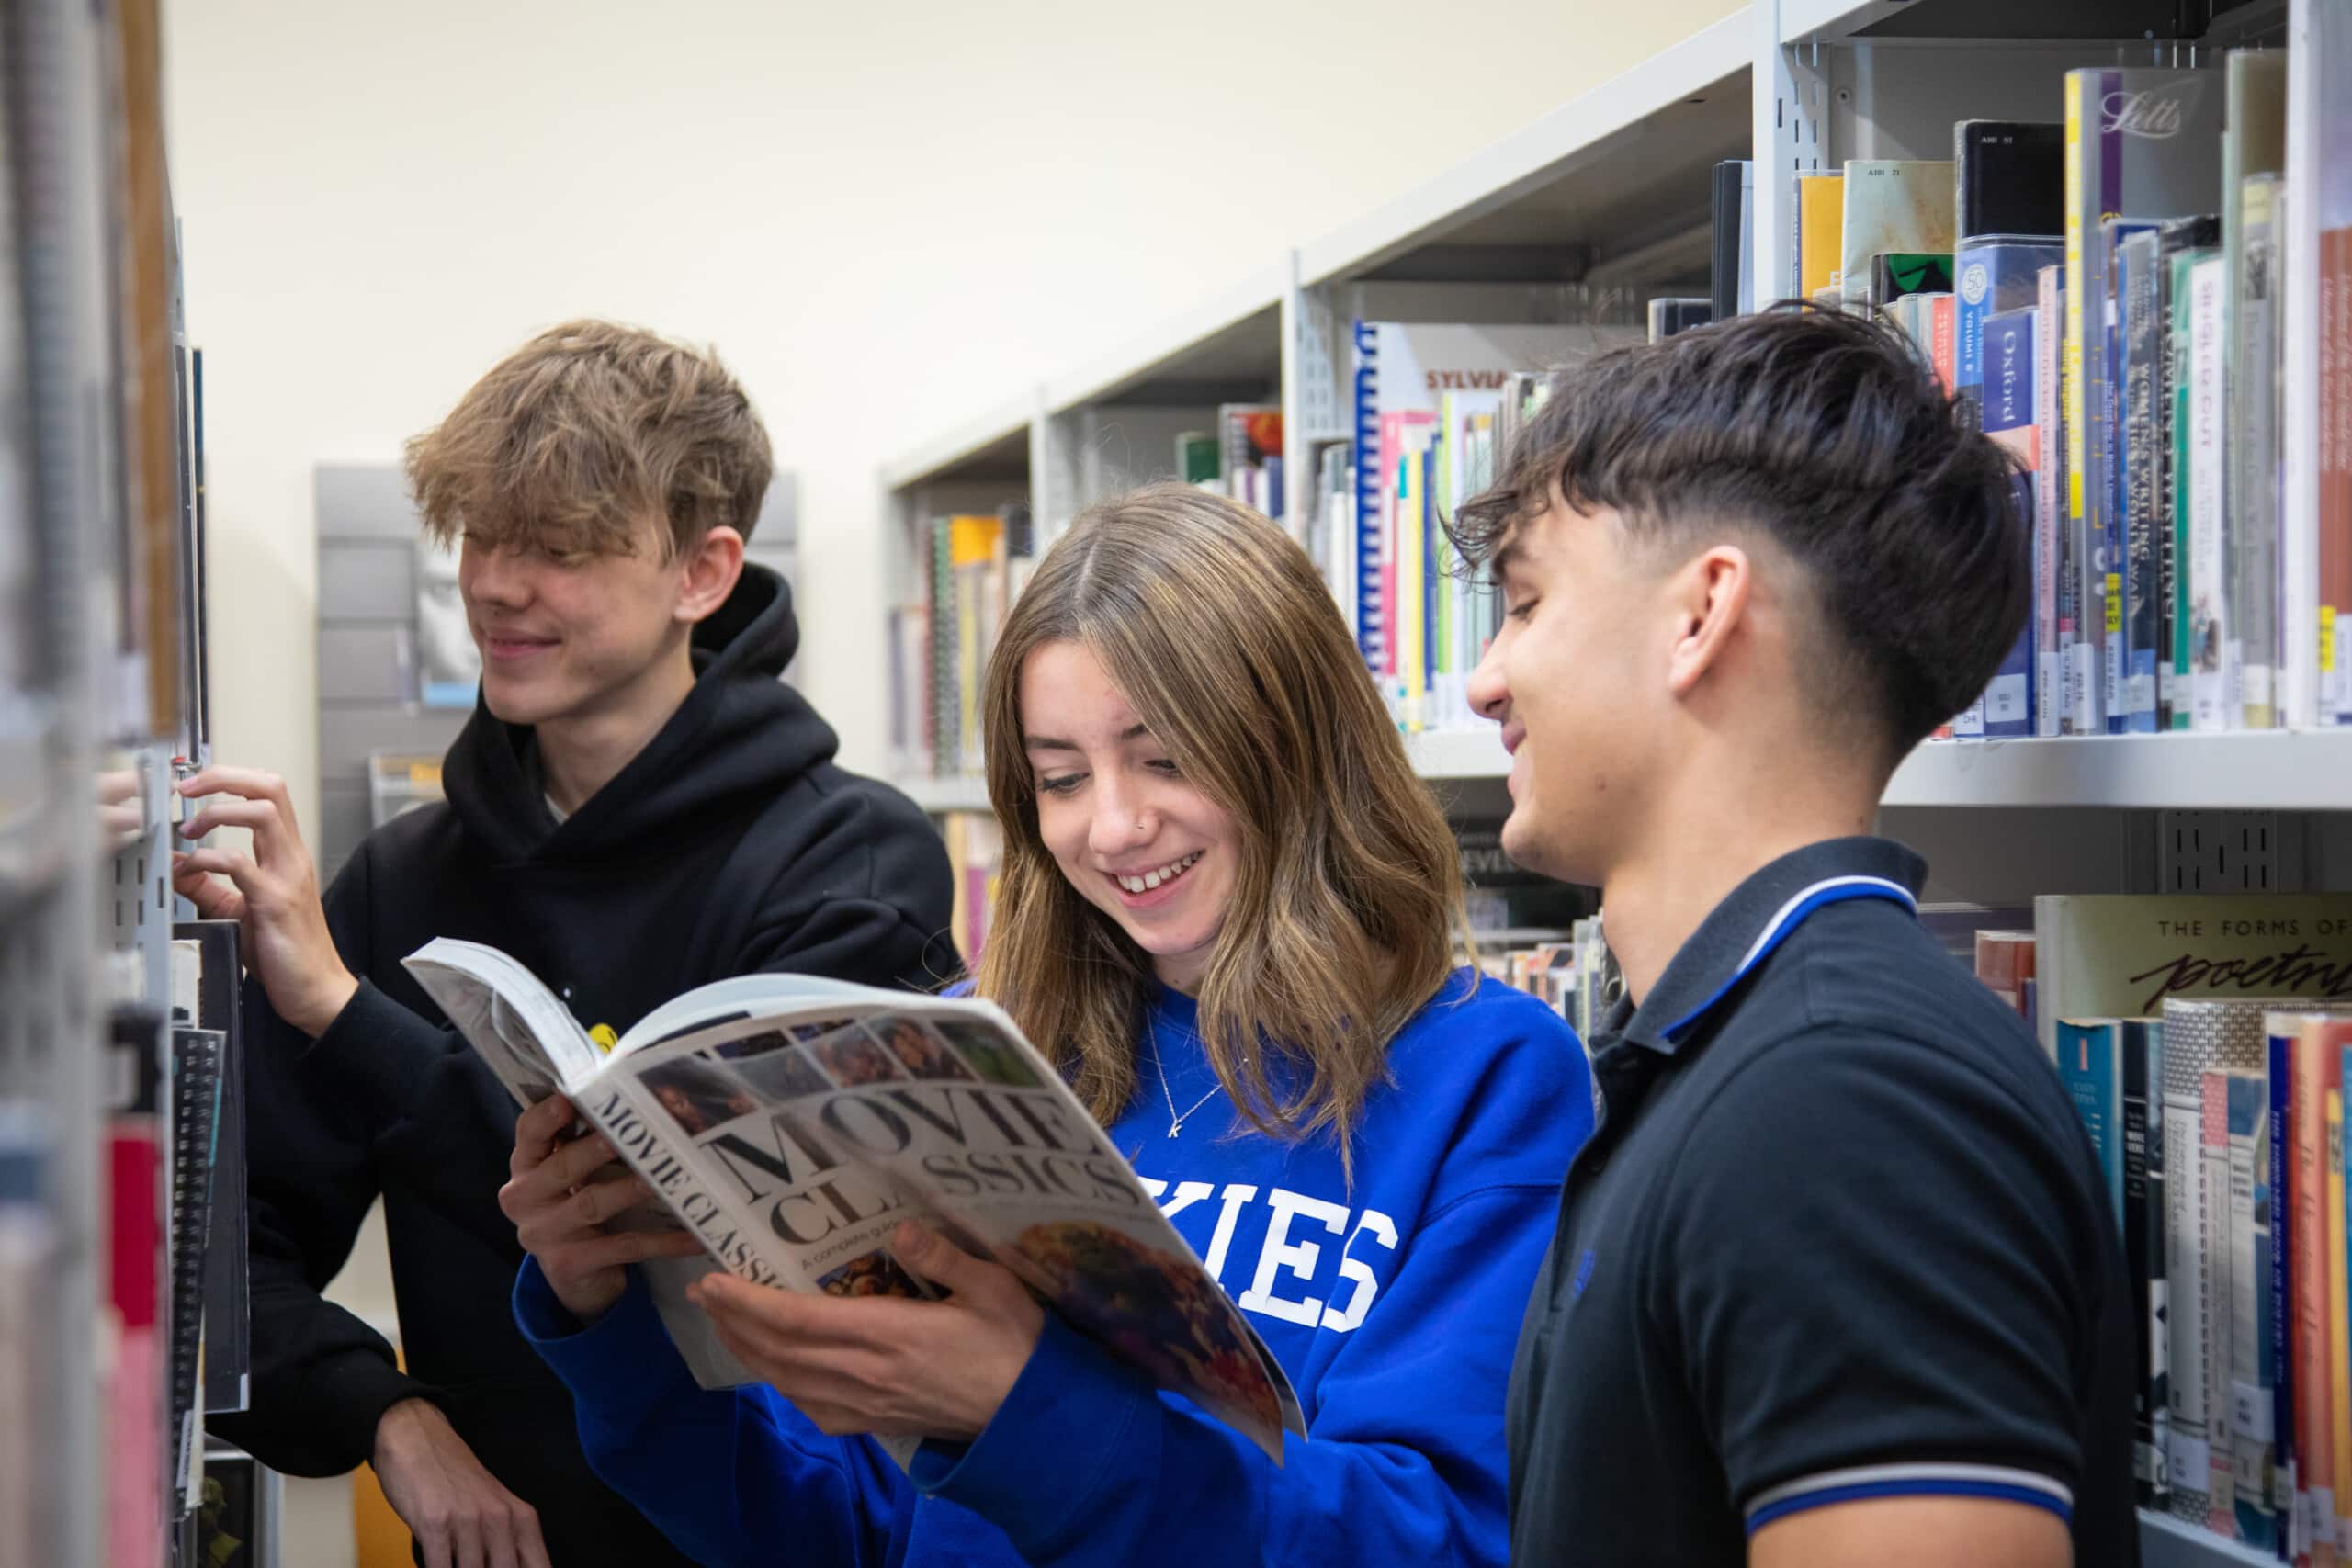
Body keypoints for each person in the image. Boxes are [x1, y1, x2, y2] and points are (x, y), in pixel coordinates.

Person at [502, 483, 1595, 1568]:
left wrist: (1021, 1408)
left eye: (1165, 757)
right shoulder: (957, 1056)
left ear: (1292, 745)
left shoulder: (1484, 1074)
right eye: (1061, 778)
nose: (1113, 826)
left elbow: (1436, 1540)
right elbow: (834, 1528)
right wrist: (608, 1314)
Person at [179, 320, 957, 1568]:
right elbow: (222, 1267)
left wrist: (345, 1010)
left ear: (702, 573)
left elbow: (697, 1242)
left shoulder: (851, 864)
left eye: (560, 545)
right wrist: (391, 1414)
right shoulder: (406, 875)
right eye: (482, 533)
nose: (494, 582)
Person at [1455, 306, 2137, 1566]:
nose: (1484, 679)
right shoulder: (1747, 1057)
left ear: (1701, 612)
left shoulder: (1847, 1104)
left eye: (1526, 601)